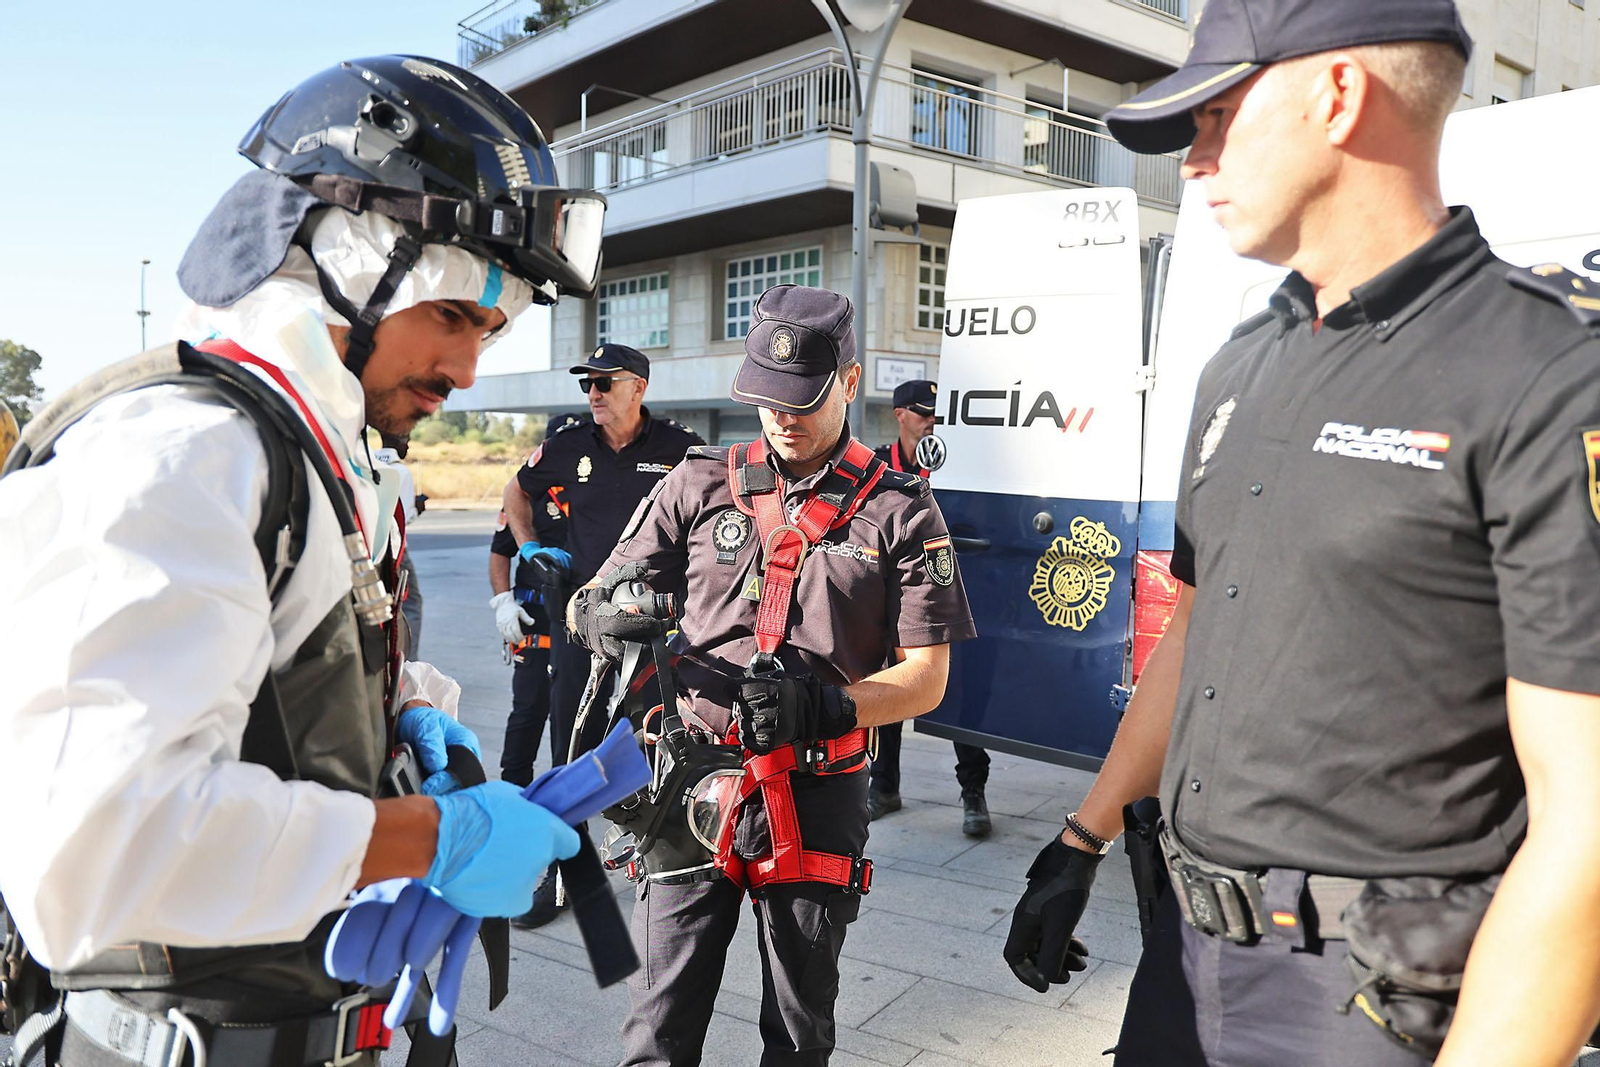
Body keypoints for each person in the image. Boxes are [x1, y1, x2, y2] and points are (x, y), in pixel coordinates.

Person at [1001, 3, 1600, 1065]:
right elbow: (1191, 631)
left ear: (1336, 95)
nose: (1193, 161)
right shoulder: (1240, 366)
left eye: (1216, 118)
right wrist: (1080, 835)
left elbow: (1586, 818)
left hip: (1373, 1000)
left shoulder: (1544, 374)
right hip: (1182, 962)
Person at [0, 55, 602, 1067]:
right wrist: (432, 836)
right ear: (343, 261)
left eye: (489, 330)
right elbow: (94, 855)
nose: (465, 368)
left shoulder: (330, 452)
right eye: (452, 314)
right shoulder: (184, 457)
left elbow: (274, 687)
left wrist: (401, 720)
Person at [568, 284, 977, 1066]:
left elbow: (928, 679)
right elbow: (593, 596)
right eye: (764, 399)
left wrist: (825, 707)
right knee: (656, 1030)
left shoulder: (903, 511)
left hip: (816, 794)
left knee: (797, 1034)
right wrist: (601, 618)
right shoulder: (697, 481)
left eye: (802, 399)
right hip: (688, 785)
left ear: (850, 384)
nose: (781, 417)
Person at [501, 346, 702, 927]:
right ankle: (564, 873)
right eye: (587, 383)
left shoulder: (678, 447)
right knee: (570, 749)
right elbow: (518, 491)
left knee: (663, 743)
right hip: (582, 624)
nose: (593, 392)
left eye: (604, 383)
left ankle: (667, 859)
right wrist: (527, 545)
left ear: (637, 387)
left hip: (658, 627)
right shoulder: (568, 446)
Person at [867, 379, 993, 835]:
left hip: (948, 596)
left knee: (961, 699)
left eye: (939, 415)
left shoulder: (961, 466)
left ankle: (973, 794)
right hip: (890, 601)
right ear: (900, 414)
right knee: (889, 692)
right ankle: (883, 788)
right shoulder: (877, 465)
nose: (933, 423)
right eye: (924, 413)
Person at [488, 415, 581, 789]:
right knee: (528, 711)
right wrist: (502, 602)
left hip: (582, 622)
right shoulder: (526, 495)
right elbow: (500, 552)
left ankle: (570, 794)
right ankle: (513, 791)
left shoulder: (594, 490)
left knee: (575, 717)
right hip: (535, 620)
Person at [374, 431, 426, 659]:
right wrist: (418, 508)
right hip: (395, 548)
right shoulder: (401, 471)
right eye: (407, 440)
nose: (409, 446)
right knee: (411, 602)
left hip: (372, 546)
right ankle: (407, 660)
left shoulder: (370, 462)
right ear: (397, 440)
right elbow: (403, 518)